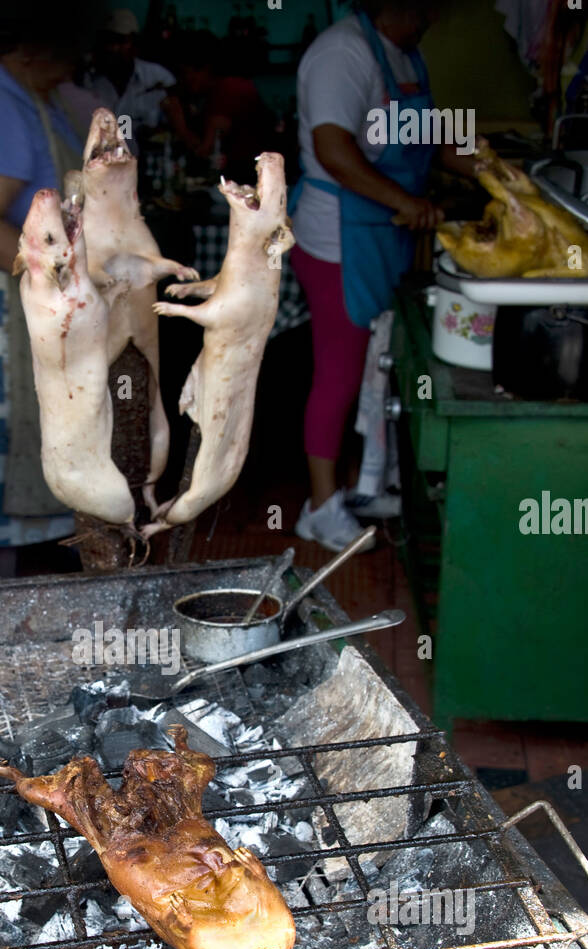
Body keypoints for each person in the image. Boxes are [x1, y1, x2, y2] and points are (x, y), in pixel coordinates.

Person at [289, 0, 471, 551]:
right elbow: (333, 149)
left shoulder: (406, 56)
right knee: (340, 373)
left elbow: (432, 137)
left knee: (379, 364)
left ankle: (358, 485)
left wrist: (494, 168)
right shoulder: (343, 53)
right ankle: (319, 508)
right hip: (339, 233)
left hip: (384, 228)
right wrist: (405, 201)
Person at [0, 17, 92, 577]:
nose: (79, 58)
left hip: (37, 289)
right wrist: (59, 279)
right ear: (31, 47)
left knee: (53, 427)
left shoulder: (44, 98)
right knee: (3, 446)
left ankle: (51, 569)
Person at [164, 30, 280, 181]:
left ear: (203, 70)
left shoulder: (228, 90)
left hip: (248, 179)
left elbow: (206, 151)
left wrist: (178, 123)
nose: (184, 80)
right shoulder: (221, 89)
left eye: (186, 73)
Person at [86, 9, 176, 137]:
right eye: (109, 41)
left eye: (121, 41)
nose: (114, 48)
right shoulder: (89, 81)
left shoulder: (159, 77)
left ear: (134, 43)